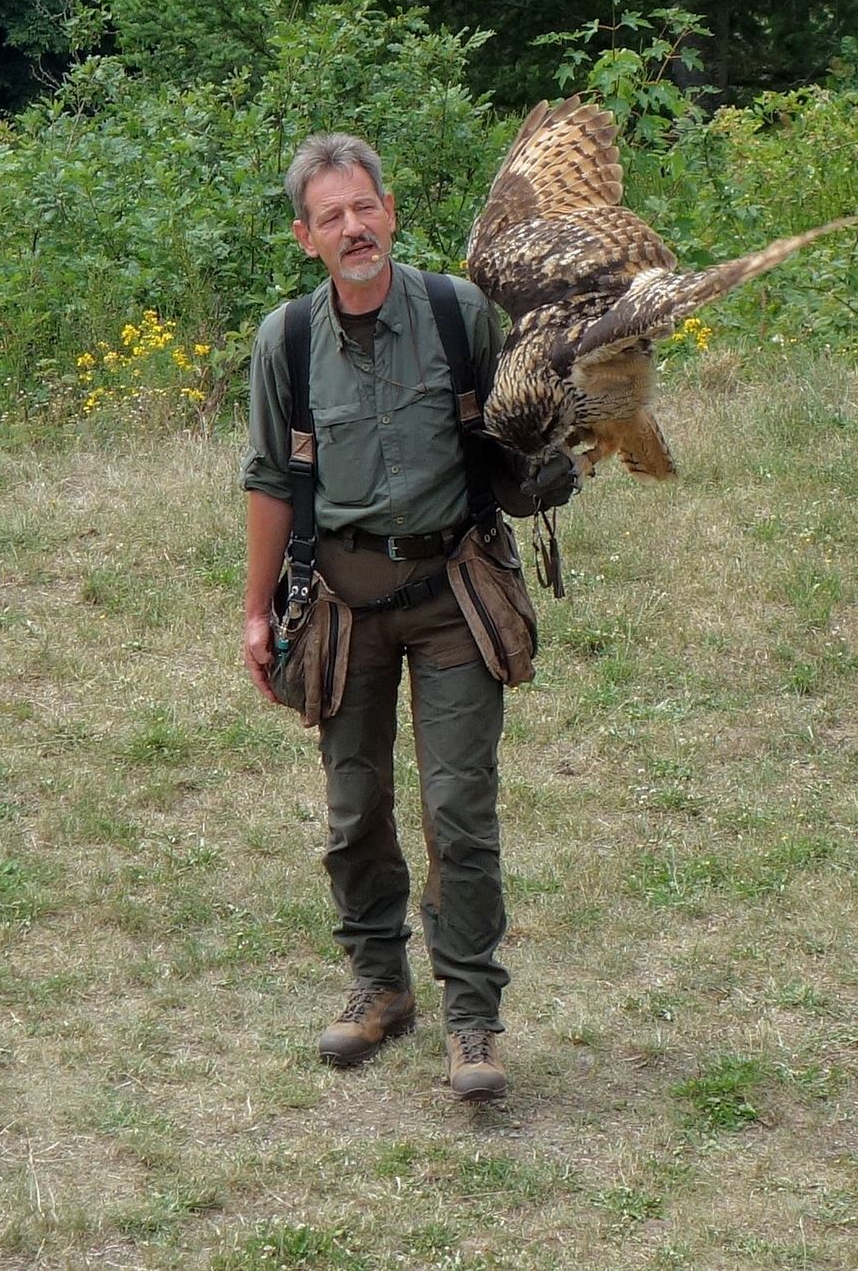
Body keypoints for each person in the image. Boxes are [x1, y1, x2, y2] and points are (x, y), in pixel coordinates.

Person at [240, 132, 567, 1102]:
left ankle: (473, 1018)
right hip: (340, 606)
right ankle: (380, 986)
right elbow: (269, 479)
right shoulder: (285, 342)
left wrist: (554, 450)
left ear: (390, 211)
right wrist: (256, 610)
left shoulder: (461, 313)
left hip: (455, 593)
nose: (354, 228)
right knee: (356, 811)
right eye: (331, 216)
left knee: (459, 810)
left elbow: (519, 431)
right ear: (305, 236)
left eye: (364, 207)